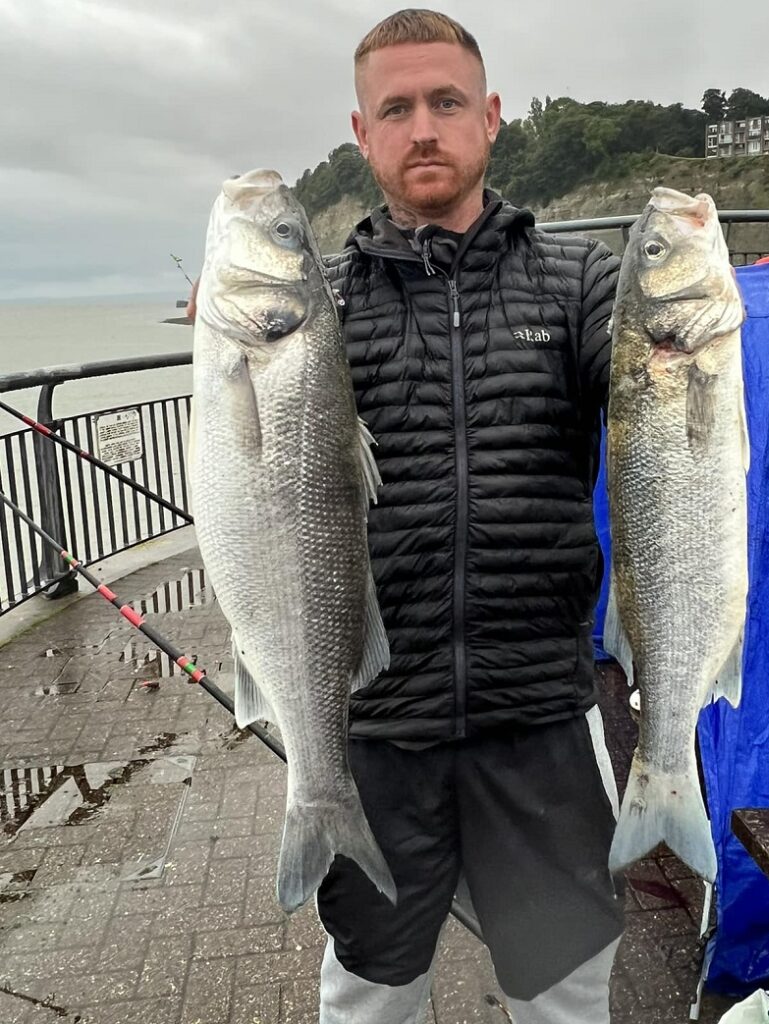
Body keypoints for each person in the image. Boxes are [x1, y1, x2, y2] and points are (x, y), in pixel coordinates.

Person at [193, 9, 624, 1023]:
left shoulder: (579, 282)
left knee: (567, 993)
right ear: (362, 131)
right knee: (370, 994)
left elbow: (652, 376)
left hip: (540, 717)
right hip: (374, 726)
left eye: (446, 102)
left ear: (492, 117)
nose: (422, 127)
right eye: (396, 108)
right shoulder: (319, 304)